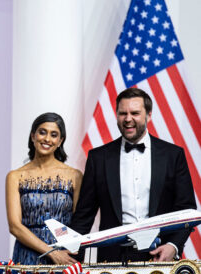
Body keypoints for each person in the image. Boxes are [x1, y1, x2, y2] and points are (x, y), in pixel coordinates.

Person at [70, 87, 196, 263]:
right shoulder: (98, 158)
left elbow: (187, 209)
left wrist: (173, 246)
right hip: (112, 260)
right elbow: (84, 215)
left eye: (135, 113)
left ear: (149, 115)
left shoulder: (173, 155)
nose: (128, 119)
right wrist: (67, 253)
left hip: (160, 256)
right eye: (123, 113)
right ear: (116, 115)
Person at [6, 112, 82, 265]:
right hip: (27, 256)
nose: (47, 139)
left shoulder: (74, 176)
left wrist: (62, 251)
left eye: (54, 135)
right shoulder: (15, 176)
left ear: (60, 141)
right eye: (42, 132)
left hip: (64, 255)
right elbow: (15, 226)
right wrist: (51, 252)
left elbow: (79, 223)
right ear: (33, 136)